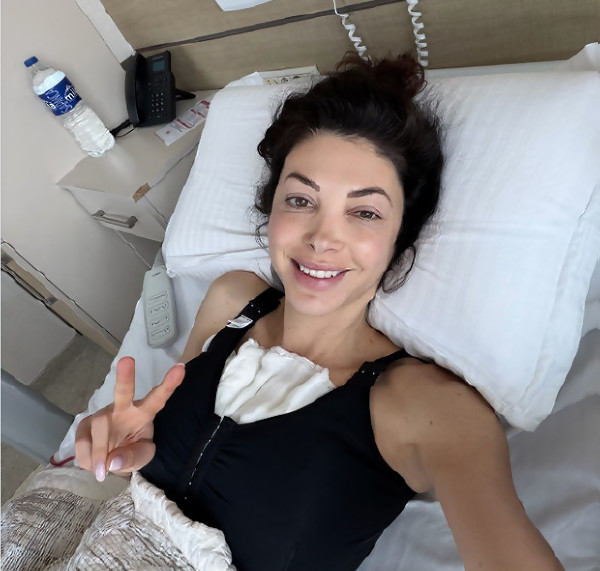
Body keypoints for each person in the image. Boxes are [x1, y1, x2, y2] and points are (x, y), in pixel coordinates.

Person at [75, 53, 564, 570]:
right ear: (271, 209)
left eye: (365, 212)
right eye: (301, 200)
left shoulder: (427, 409)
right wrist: (120, 448)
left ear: (399, 240)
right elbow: (157, 446)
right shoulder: (230, 300)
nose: (323, 238)